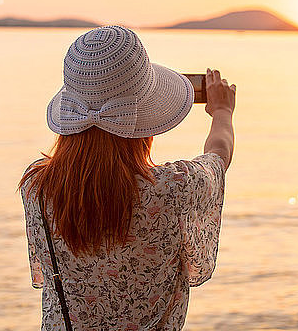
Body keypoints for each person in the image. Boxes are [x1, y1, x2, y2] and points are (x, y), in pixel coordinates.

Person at [19, 25, 236, 330]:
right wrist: (223, 111)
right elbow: (218, 156)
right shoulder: (174, 189)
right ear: (146, 116)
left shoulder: (37, 189)